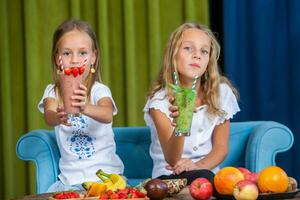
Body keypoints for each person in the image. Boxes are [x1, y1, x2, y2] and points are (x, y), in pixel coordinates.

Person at [143, 22, 240, 185]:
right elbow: (172, 159)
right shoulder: (159, 101)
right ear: (173, 54)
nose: (197, 55)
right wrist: (183, 120)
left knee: (210, 179)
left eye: (204, 51)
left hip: (206, 175)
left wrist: (196, 166)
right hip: (168, 178)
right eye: (188, 48)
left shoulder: (221, 93)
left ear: (209, 60)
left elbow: (220, 149)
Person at [38, 19, 124, 192]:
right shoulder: (53, 92)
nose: (75, 60)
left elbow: (107, 114)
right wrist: (57, 117)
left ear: (94, 57)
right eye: (67, 53)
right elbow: (48, 115)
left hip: (106, 178)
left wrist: (85, 107)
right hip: (71, 180)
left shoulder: (99, 90)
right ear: (57, 58)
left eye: (83, 53)